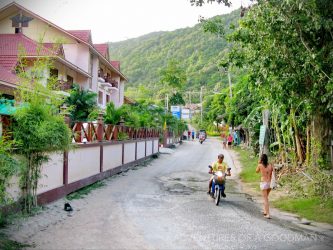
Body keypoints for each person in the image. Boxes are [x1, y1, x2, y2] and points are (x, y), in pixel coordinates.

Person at [256, 154, 274, 219]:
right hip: (270, 183)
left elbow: (256, 171)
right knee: (266, 197)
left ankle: (268, 214)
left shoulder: (260, 165)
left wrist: (259, 163)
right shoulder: (270, 165)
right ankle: (265, 211)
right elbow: (272, 173)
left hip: (264, 183)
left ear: (261, 159)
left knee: (265, 199)